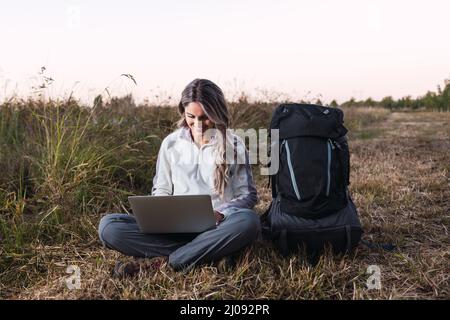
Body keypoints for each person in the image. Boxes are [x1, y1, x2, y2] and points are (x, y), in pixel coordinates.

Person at [98, 78, 260, 276]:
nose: (198, 124)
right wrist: (160, 213)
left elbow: (249, 195)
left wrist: (220, 213)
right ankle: (206, 254)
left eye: (205, 117)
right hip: (175, 228)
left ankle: (167, 260)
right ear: (183, 112)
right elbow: (162, 188)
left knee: (248, 222)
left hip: (218, 228)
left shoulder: (234, 144)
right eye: (192, 116)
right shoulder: (171, 143)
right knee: (109, 227)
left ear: (217, 113)